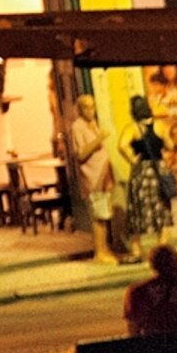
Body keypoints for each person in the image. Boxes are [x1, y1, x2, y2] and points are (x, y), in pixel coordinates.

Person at [68, 89, 123, 263]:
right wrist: (99, 138)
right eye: (86, 107)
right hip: (93, 178)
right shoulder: (77, 127)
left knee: (104, 214)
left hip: (103, 175)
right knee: (98, 216)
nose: (90, 111)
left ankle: (104, 248)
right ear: (79, 109)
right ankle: (99, 252)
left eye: (92, 107)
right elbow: (81, 153)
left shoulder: (92, 123)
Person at [122, 93, 173, 250]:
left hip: (142, 172)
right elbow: (170, 145)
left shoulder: (133, 128)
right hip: (158, 169)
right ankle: (162, 246)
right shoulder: (160, 125)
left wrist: (132, 158)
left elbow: (122, 145)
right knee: (162, 207)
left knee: (138, 209)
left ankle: (136, 248)